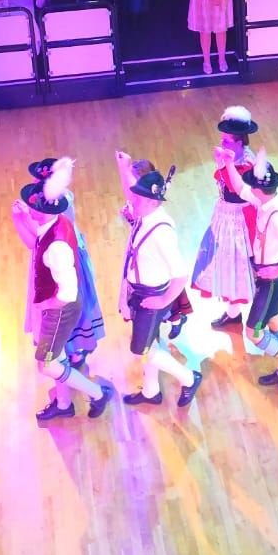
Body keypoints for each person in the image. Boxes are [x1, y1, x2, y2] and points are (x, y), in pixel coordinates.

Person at [10, 160, 116, 421]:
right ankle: (64, 402)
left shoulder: (56, 244)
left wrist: (46, 306)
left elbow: (67, 293)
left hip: (58, 310)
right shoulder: (54, 225)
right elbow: (36, 241)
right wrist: (20, 219)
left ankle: (96, 394)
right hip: (58, 305)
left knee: (47, 363)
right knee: (55, 358)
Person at [115, 159, 203, 408]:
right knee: (150, 343)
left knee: (141, 350)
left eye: (139, 198)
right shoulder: (144, 215)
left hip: (151, 296)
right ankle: (151, 390)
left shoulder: (161, 231)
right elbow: (130, 194)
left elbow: (181, 274)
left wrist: (163, 300)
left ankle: (189, 378)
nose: (133, 200)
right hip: (139, 292)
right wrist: (123, 168)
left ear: (153, 201)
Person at [216, 149, 278, 389]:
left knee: (253, 332)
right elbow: (239, 188)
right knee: (275, 320)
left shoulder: (277, 216)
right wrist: (228, 163)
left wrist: (275, 272)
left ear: (258, 189)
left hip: (273, 279)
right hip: (270, 276)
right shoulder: (265, 200)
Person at [193, 106, 258, 327]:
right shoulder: (232, 157)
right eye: (222, 139)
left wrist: (224, 164)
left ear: (240, 142)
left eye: (227, 141)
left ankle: (239, 313)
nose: (222, 143)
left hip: (239, 219)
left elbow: (235, 188)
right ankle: (233, 313)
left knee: (238, 264)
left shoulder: (248, 164)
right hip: (224, 214)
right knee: (226, 262)